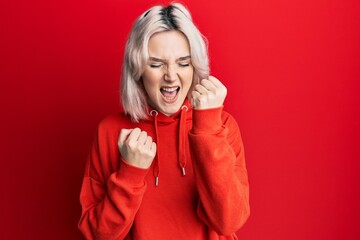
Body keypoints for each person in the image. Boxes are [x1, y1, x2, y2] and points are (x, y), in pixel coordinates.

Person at [78, 3, 250, 240]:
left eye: (183, 63)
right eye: (156, 64)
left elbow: (228, 221)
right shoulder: (110, 132)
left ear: (195, 67)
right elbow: (98, 235)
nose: (171, 75)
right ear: (138, 69)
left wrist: (208, 129)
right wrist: (130, 172)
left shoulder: (222, 126)